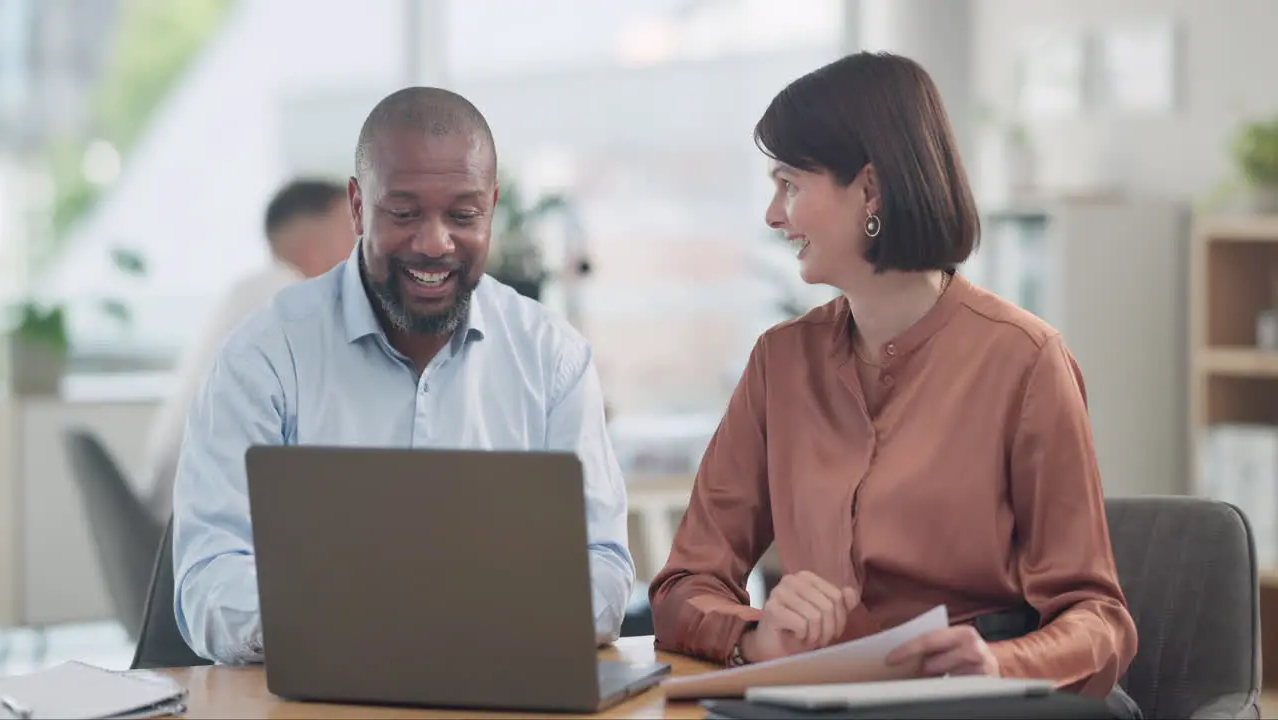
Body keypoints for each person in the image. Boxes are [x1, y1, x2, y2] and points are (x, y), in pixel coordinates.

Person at [648, 52, 1139, 713]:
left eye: (791, 184)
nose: (772, 214)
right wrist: (759, 637)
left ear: (871, 191)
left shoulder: (1025, 360)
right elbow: (684, 586)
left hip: (986, 704)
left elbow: (1099, 620)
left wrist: (996, 664)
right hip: (829, 699)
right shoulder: (780, 363)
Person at [171, 87, 635, 664]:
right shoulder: (264, 356)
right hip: (321, 689)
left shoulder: (553, 359)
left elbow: (603, 568)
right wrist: (361, 618)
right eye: (405, 213)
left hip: (499, 685)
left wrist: (452, 616)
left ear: (491, 206)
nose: (434, 243)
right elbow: (208, 577)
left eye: (463, 215)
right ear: (359, 207)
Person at [141, 179, 355, 520]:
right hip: (213, 530)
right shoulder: (282, 299)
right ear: (317, 239)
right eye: (353, 227)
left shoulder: (253, 292)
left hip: (192, 518)